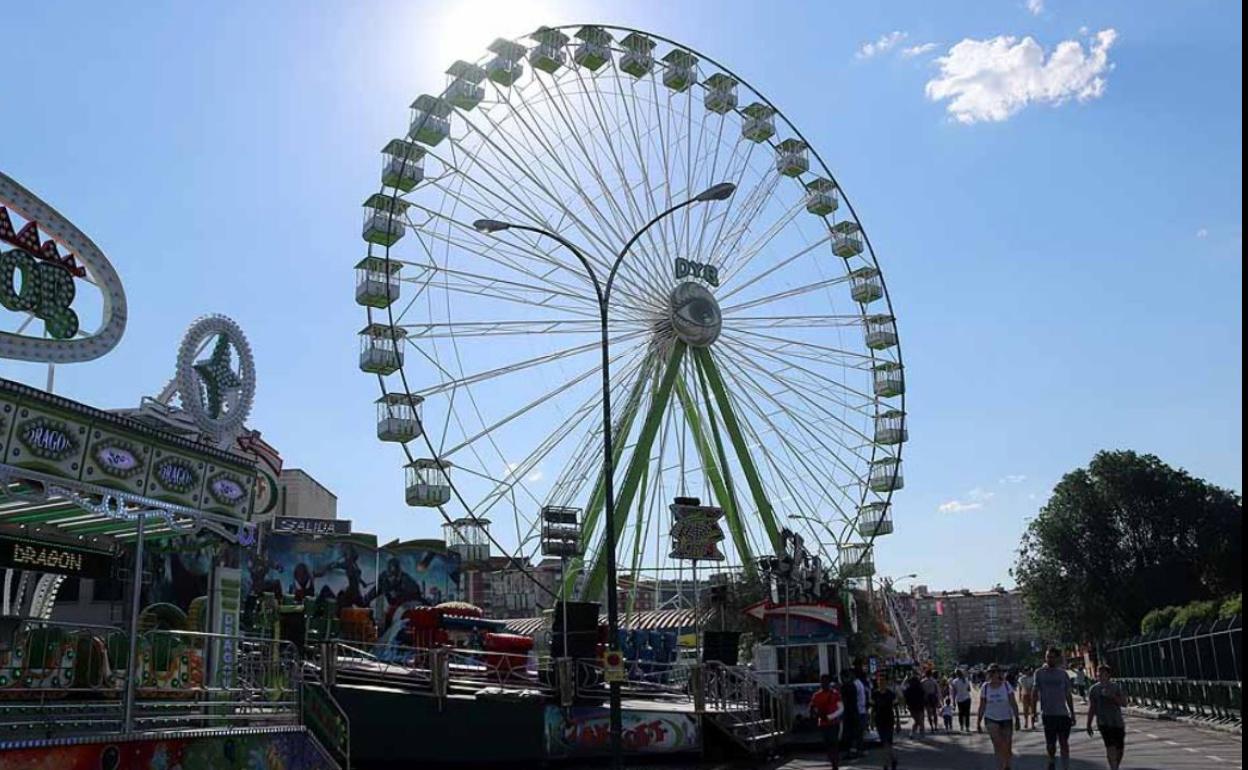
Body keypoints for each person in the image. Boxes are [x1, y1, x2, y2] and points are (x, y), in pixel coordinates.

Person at [1033, 646, 1076, 770]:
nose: (1049, 659)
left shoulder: (1063, 674)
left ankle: (1065, 766)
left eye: (1051, 657)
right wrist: (1033, 711)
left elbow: (1068, 694)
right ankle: (1051, 760)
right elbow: (1035, 692)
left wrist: (1072, 713)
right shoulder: (1039, 673)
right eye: (1047, 657)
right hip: (1048, 714)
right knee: (1051, 744)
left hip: (1062, 714)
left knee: (1064, 742)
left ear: (1056, 659)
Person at [976, 663, 1021, 770]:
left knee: (1007, 745)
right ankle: (1000, 767)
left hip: (1006, 718)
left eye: (994, 672)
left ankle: (1007, 765)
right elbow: (982, 705)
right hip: (991, 718)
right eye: (990, 672)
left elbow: (1013, 702)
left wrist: (1017, 718)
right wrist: (978, 721)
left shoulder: (1006, 686)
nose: (992, 675)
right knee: (998, 744)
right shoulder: (985, 687)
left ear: (999, 673)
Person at [1086, 665, 1128, 770]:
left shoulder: (1116, 687)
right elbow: (1092, 707)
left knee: (1119, 749)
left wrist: (1112, 696)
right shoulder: (1094, 689)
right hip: (1103, 722)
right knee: (1110, 747)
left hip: (1117, 722)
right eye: (1099, 674)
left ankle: (1115, 766)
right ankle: (1113, 767)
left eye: (1103, 674)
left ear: (1108, 675)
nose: (1101, 676)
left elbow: (1124, 703)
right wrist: (1089, 724)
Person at [810, 673, 845, 770]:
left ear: (829, 682)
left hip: (833, 723)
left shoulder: (835, 694)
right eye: (822, 681)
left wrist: (830, 716)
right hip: (823, 723)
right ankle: (833, 760)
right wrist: (816, 715)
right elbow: (813, 708)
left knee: (834, 743)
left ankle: (835, 763)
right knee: (828, 744)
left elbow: (841, 708)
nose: (823, 683)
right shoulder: (816, 696)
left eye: (825, 681)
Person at [872, 673, 899, 770]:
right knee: (885, 742)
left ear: (886, 682)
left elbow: (896, 708)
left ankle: (886, 764)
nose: (881, 682)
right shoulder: (875, 694)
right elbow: (873, 708)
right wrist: (871, 721)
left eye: (883, 681)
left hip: (889, 720)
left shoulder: (890, 694)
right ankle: (893, 760)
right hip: (879, 720)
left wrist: (898, 722)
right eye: (879, 681)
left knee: (887, 742)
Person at [839, 669, 861, 758]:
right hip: (854, 711)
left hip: (849, 712)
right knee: (854, 733)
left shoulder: (845, 687)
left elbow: (844, 701)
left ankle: (850, 751)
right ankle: (854, 751)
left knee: (849, 733)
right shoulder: (853, 685)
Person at [904, 672, 926, 737]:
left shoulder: (908, 689)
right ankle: (920, 732)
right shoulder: (920, 688)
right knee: (919, 720)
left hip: (912, 707)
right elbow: (923, 696)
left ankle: (914, 733)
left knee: (917, 720)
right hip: (919, 706)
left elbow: (906, 699)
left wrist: (906, 706)